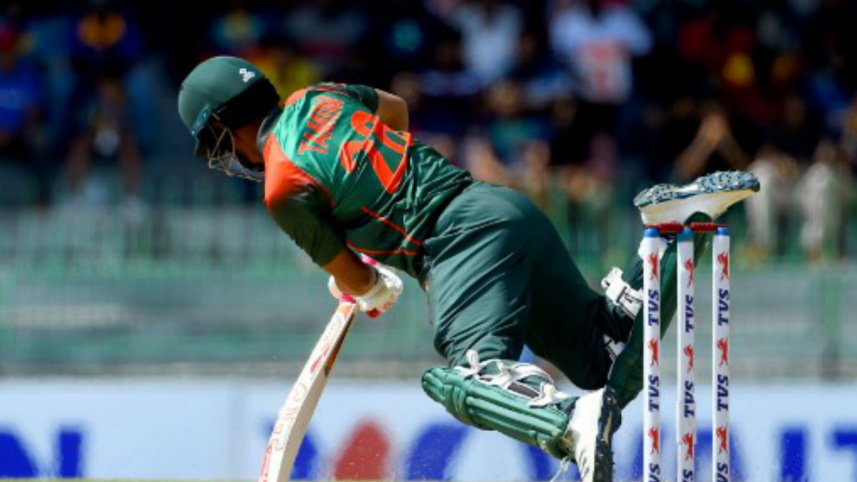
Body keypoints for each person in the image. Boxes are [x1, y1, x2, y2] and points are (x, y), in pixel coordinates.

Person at [177, 56, 759, 482]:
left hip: (454, 240)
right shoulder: (321, 96)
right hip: (502, 206)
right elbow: (398, 113)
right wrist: (379, 210)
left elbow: (359, 283)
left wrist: (371, 282)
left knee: (463, 378)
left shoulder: (282, 188)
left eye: (219, 145)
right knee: (603, 355)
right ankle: (674, 227)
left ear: (226, 127)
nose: (228, 159)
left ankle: (565, 421)